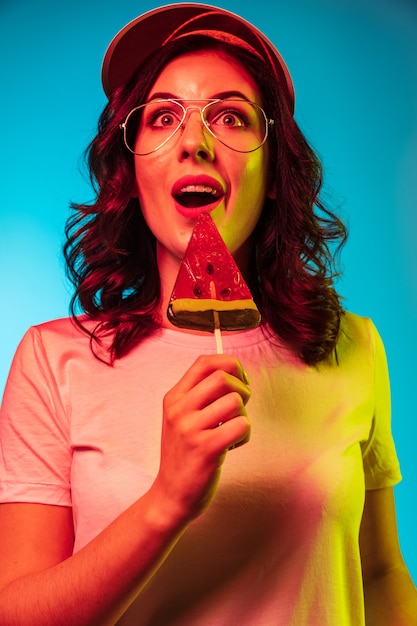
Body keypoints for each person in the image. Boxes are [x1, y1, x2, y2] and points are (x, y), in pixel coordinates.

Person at [0, 3, 416, 625]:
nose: (194, 142)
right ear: (132, 167)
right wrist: (167, 501)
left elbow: (380, 571)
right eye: (163, 117)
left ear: (274, 171)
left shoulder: (352, 345)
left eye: (230, 117)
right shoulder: (52, 360)